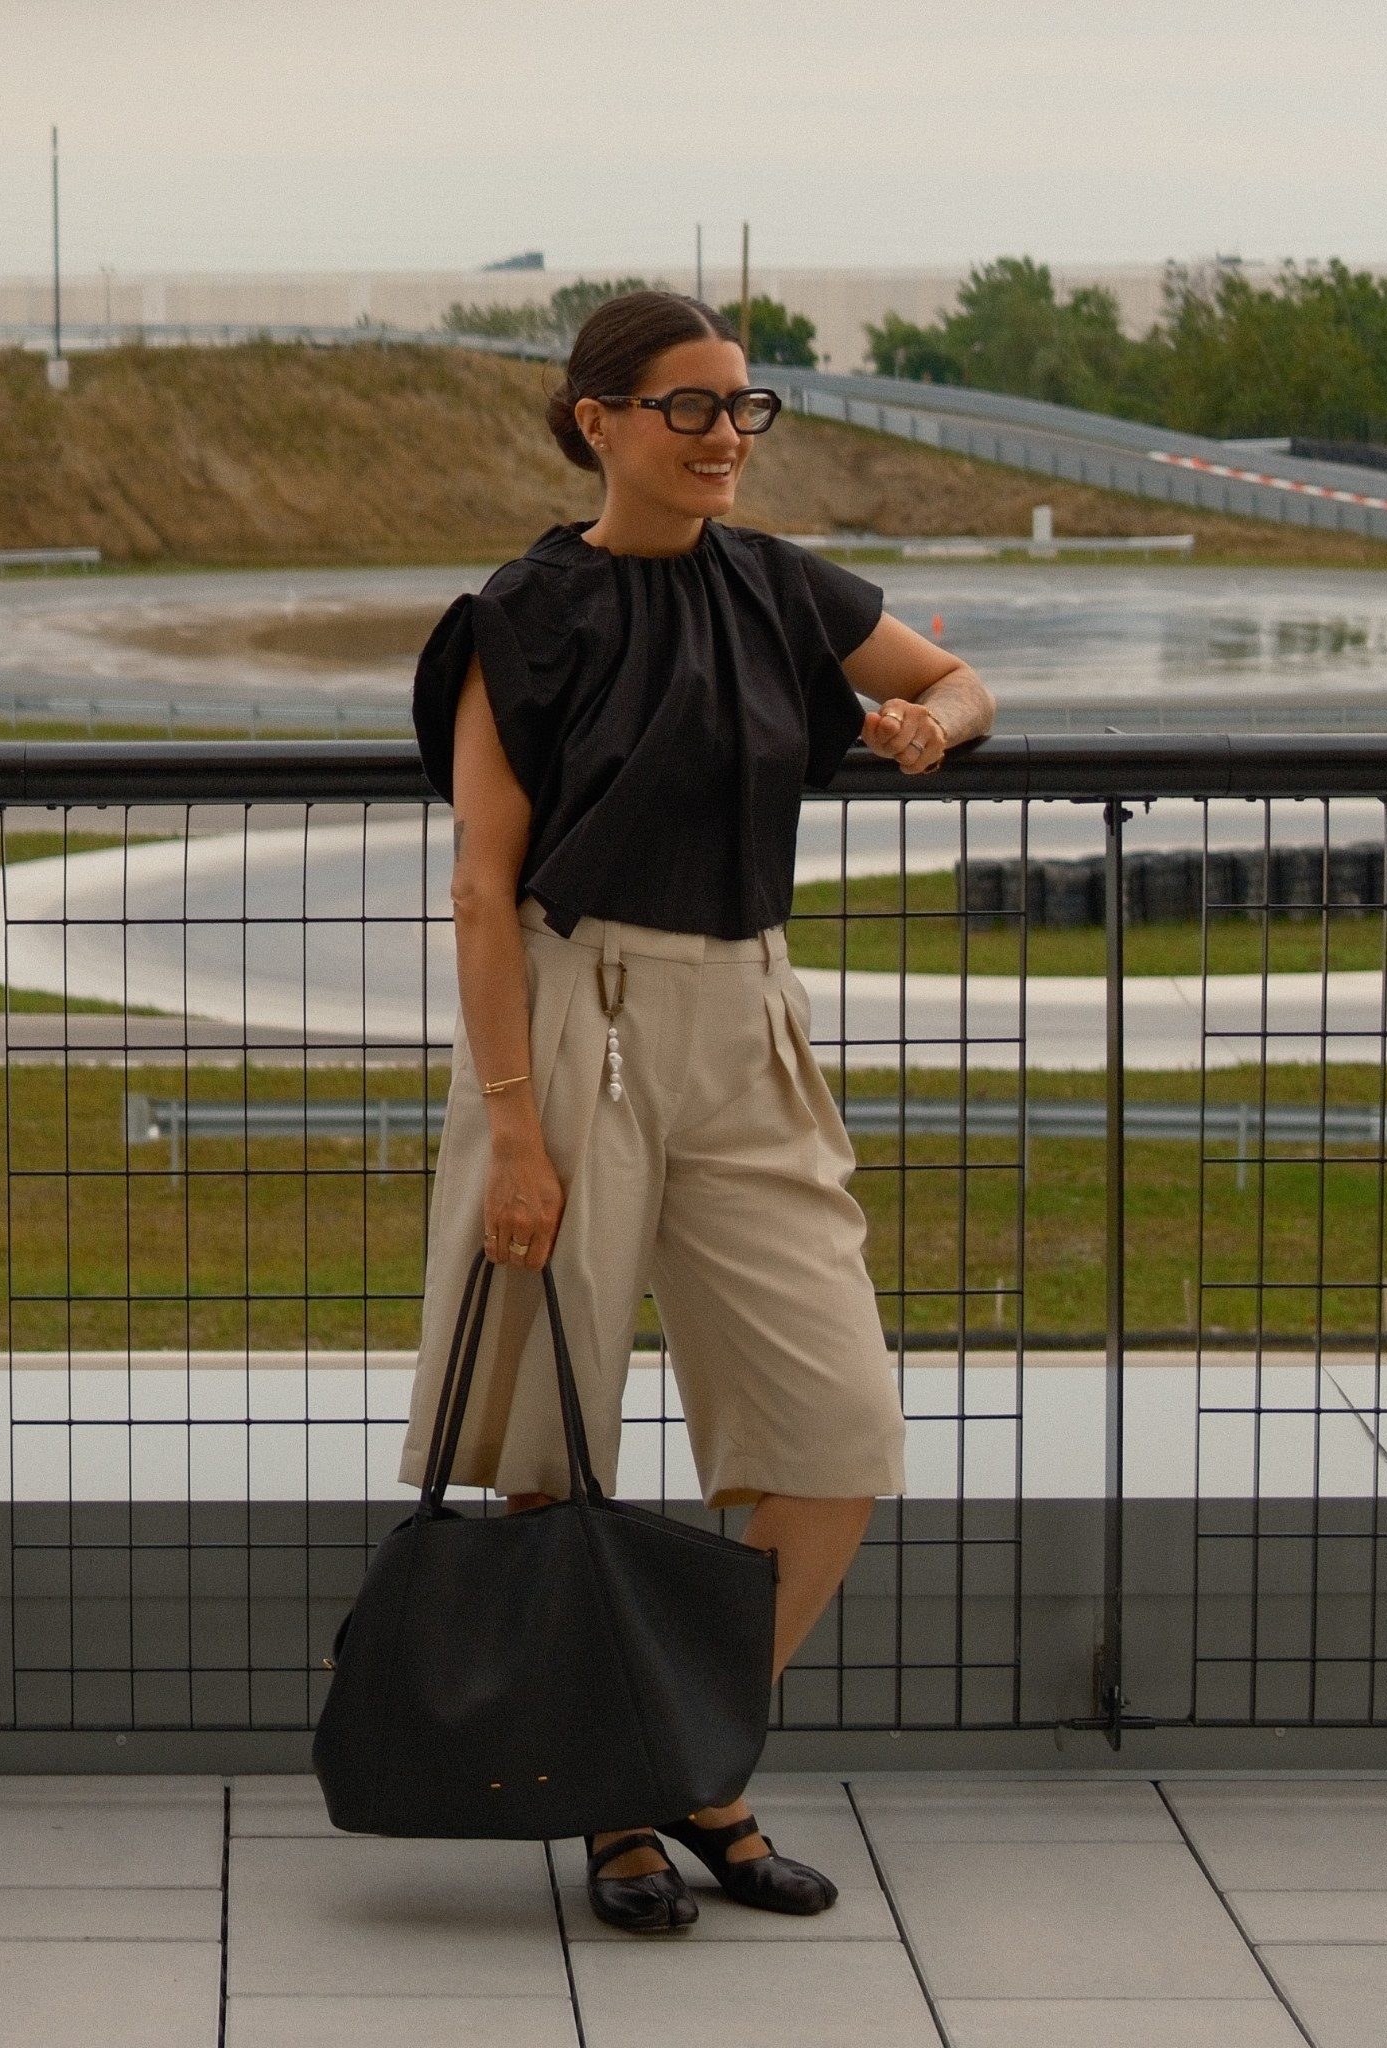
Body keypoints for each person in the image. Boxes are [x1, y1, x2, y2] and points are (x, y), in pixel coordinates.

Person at [400, 290, 995, 1932]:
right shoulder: (523, 613)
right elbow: (478, 888)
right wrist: (515, 1134)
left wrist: (923, 725)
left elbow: (958, 677)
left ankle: (685, 1753)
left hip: (746, 1018)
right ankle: (628, 1805)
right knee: (550, 1446)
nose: (729, 435)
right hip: (568, 1022)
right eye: (692, 408)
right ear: (596, 420)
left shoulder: (782, 587)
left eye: (747, 407)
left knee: (832, 1431)